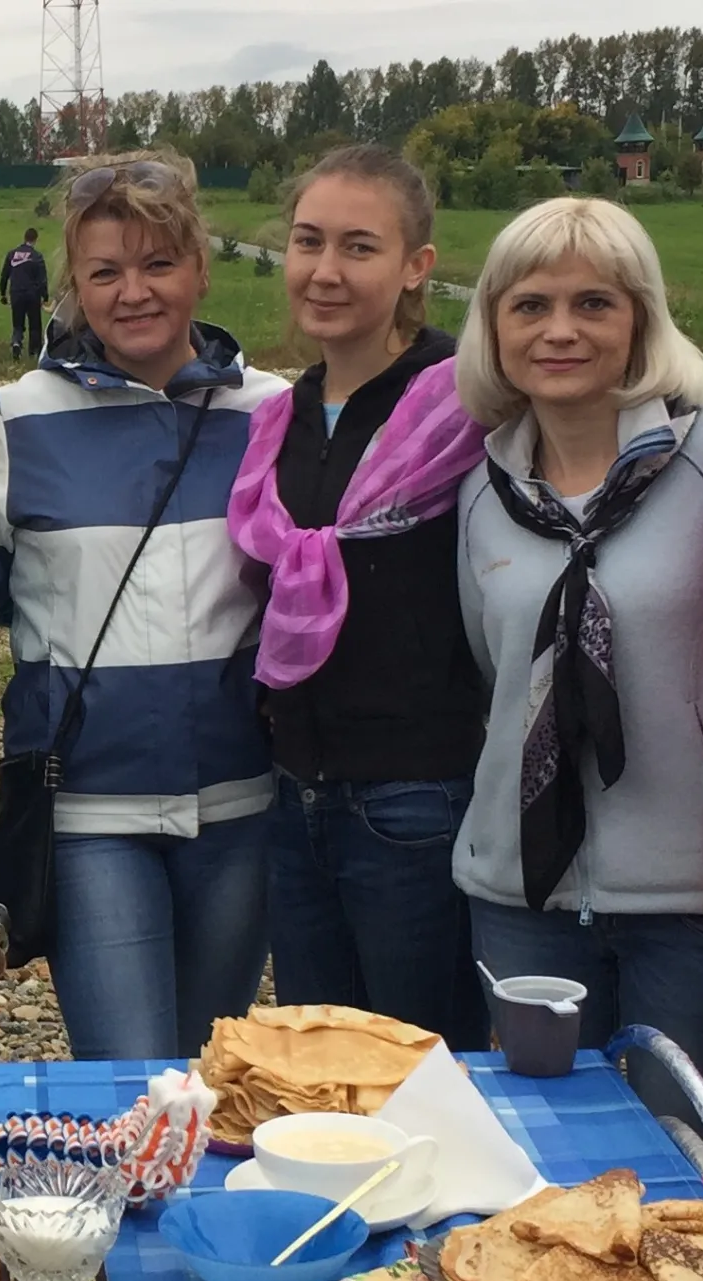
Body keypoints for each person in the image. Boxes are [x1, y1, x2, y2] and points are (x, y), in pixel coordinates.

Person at [0, 151, 286, 1060]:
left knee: (206, 1081)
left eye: (157, 264)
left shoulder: (275, 413)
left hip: (241, 805)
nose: (133, 291)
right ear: (74, 285)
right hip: (92, 811)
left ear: (199, 271)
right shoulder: (18, 419)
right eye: (105, 271)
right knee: (134, 1085)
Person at [444, 198, 703, 1104]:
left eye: (594, 304)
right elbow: (496, 670)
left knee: (681, 1152)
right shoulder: (480, 494)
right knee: (551, 1145)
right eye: (530, 305)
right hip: (520, 894)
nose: (559, 330)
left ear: (642, 318)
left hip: (685, 891)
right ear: (493, 326)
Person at [225, 146, 485, 1050]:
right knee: (317, 1073)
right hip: (296, 798)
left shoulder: (465, 400)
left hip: (416, 798)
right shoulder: (280, 419)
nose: (325, 272)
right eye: (308, 242)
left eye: (359, 248)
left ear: (418, 267)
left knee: (420, 1071)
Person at [1, 226, 49, 361]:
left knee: (18, 323)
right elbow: (42, 279)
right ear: (35, 239)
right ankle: (34, 352)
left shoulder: (12, 254)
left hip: (16, 293)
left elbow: (5, 275)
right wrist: (45, 296)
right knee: (34, 324)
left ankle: (17, 342)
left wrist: (3, 293)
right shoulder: (37, 256)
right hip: (32, 294)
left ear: (25, 238)